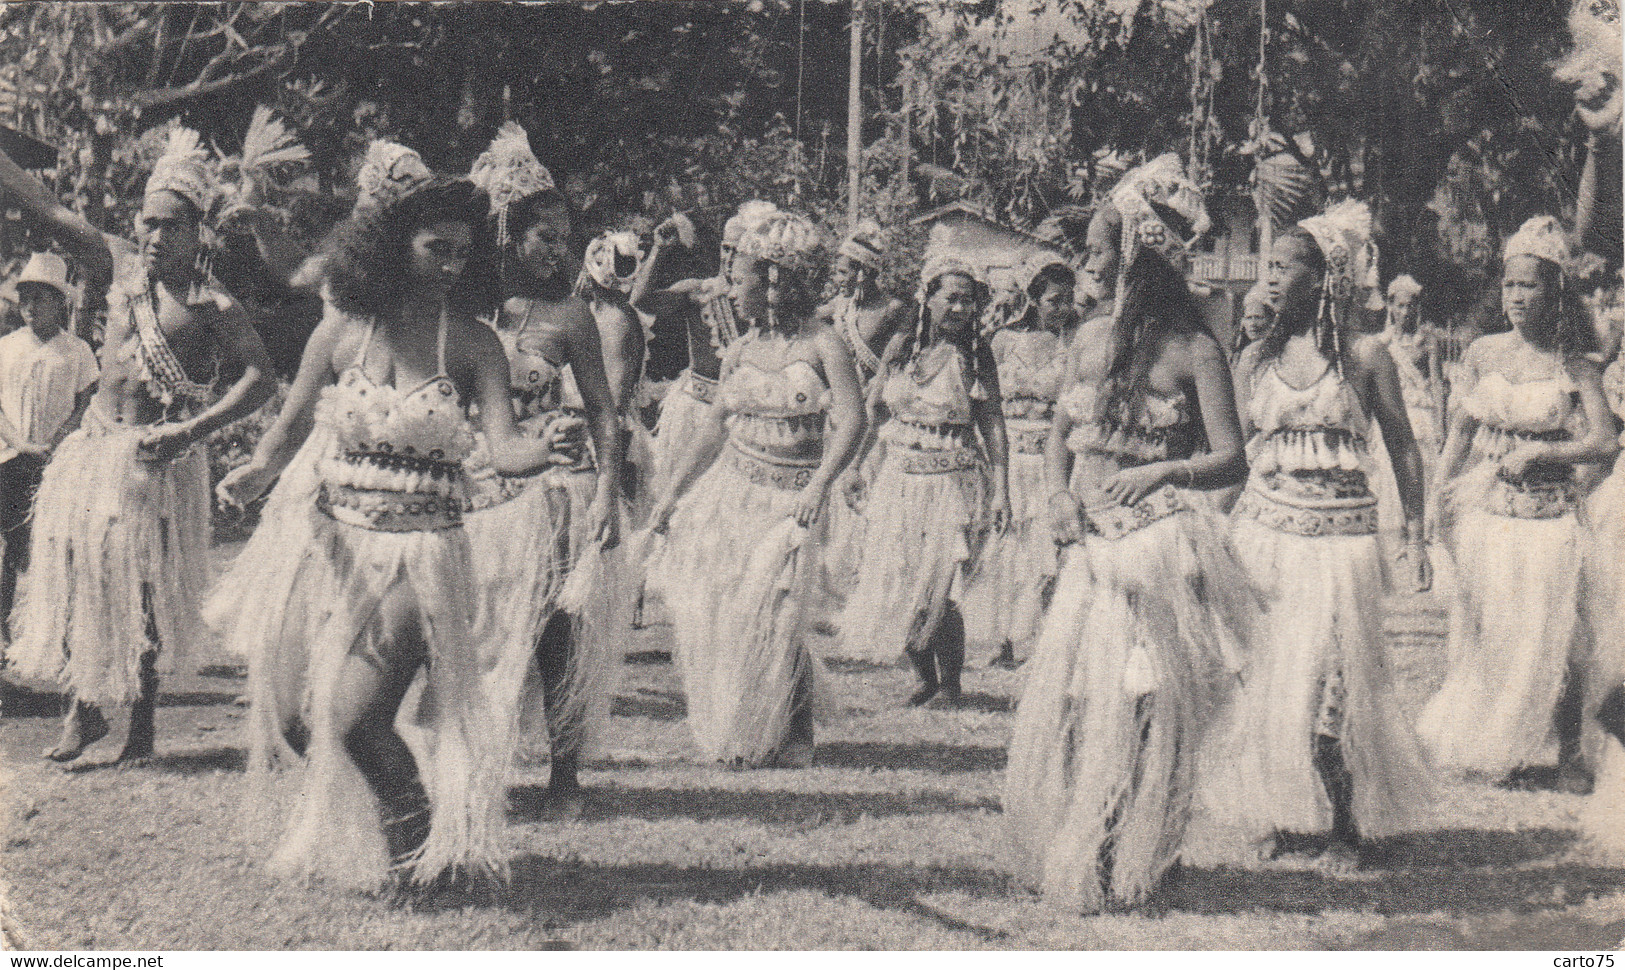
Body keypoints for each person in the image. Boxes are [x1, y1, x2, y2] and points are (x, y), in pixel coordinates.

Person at [216, 174, 570, 892]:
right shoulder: (339, 332)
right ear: (388, 247)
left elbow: (502, 447)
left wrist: (545, 448)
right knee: (292, 719)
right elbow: (283, 435)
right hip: (331, 546)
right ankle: (399, 843)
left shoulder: (473, 345)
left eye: (462, 253)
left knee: (355, 722)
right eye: (435, 248)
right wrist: (251, 474)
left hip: (422, 551)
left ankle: (422, 859)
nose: (450, 265)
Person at [1004, 154, 1251, 911]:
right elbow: (1058, 430)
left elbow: (1230, 458)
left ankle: (1147, 849)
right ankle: (1089, 840)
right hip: (1088, 553)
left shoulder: (1192, 350)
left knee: (1148, 706)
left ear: (1140, 256)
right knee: (1081, 702)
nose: (1087, 261)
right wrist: (1054, 494)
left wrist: (1164, 475)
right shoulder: (1086, 339)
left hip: (1155, 555)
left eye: (1100, 248)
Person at [0, 126, 276, 765]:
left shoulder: (211, 305)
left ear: (196, 232)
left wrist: (194, 428)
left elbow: (263, 377)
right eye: (147, 223)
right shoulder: (119, 265)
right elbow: (51, 210)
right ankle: (85, 705)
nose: (154, 237)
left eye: (170, 226)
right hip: (93, 450)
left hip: (158, 461)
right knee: (72, 572)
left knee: (142, 589)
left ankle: (141, 717)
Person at [1215, 200, 1438, 871]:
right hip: (1263, 535)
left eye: (1286, 266)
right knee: (1268, 682)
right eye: (1268, 266)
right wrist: (1208, 529)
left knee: (1333, 686)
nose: (1271, 278)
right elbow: (1232, 452)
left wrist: (1418, 535)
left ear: (1324, 278)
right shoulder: (1254, 358)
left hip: (1340, 549)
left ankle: (1345, 825)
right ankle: (1278, 815)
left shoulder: (1367, 358)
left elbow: (1402, 449)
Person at [204, 138, 434, 768]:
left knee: (380, 647)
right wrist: (254, 222)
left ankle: (379, 743)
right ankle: (337, 755)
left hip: (408, 465)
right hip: (331, 449)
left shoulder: (437, 286)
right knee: (308, 622)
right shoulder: (338, 273)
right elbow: (292, 277)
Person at [646, 210, 865, 767]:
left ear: (777, 282)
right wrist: (673, 494)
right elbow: (715, 426)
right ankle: (749, 724)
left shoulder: (824, 344)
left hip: (791, 501)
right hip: (733, 490)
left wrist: (821, 484)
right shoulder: (741, 349)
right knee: (729, 610)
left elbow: (854, 420)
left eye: (742, 279)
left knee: (777, 610)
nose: (734, 289)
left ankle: (794, 731)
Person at [1418, 216, 1617, 792]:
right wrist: (1437, 500)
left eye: (1529, 285)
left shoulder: (1574, 364)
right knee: (1490, 630)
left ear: (1554, 289)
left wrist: (1544, 453)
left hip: (1550, 518)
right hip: (1489, 514)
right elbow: (1457, 435)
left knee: (1556, 634)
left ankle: (1571, 755)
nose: (1517, 298)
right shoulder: (1481, 353)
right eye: (1509, 285)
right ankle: (1496, 740)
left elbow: (1604, 442)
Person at [463, 123, 623, 816]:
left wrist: (608, 496)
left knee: (549, 632)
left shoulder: (570, 316)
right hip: (462, 486)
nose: (559, 252)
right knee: (468, 632)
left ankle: (564, 775)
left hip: (542, 492)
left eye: (565, 238)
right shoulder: (454, 310)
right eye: (545, 238)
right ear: (505, 233)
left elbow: (603, 412)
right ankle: (471, 766)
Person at [838, 255, 1012, 706]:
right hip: (898, 477)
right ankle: (924, 677)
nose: (960, 309)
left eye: (968, 300)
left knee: (939, 587)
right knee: (901, 582)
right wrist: (855, 466)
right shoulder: (901, 349)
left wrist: (1002, 488)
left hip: (952, 482)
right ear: (927, 298)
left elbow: (992, 423)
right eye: (950, 298)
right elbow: (875, 416)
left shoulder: (977, 353)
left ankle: (951, 684)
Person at [963, 253, 1076, 669]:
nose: (1063, 309)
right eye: (1054, 301)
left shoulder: (1073, 346)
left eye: (1068, 300)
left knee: (1048, 553)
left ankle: (1045, 643)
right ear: (1033, 298)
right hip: (1009, 456)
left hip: (1051, 459)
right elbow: (986, 407)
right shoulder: (1001, 341)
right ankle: (1005, 641)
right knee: (1005, 552)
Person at [632, 200, 778, 498]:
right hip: (695, 414)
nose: (728, 256)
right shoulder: (699, 291)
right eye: (725, 248)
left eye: (737, 250)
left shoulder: (771, 308)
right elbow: (641, 301)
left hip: (746, 420)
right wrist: (659, 249)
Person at [0, 253, 98, 639]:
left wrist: (56, 443)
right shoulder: (5, 347)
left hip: (57, 464)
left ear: (61, 303)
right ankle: (3, 631)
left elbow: (85, 403)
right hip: (8, 459)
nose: (31, 306)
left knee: (56, 546)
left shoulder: (76, 351)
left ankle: (57, 634)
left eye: (41, 297)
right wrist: (18, 442)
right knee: (10, 546)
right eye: (25, 297)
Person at [817, 219, 908, 604]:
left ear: (863, 272)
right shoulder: (835, 310)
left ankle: (862, 587)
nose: (838, 278)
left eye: (843, 270)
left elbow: (891, 367)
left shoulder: (895, 310)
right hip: (835, 414)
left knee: (862, 494)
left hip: (876, 416)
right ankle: (828, 586)